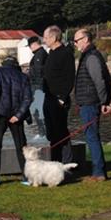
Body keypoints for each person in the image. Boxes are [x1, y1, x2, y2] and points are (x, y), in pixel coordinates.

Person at [73, 29, 111, 182]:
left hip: (90, 103)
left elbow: (100, 81)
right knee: (91, 136)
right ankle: (98, 171)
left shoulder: (91, 57)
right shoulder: (89, 56)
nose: (75, 43)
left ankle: (98, 172)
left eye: (76, 40)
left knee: (92, 137)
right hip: (87, 102)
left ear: (85, 39)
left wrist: (104, 102)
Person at [0, 56, 32, 187]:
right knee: (21, 147)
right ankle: (27, 176)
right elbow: (28, 98)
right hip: (15, 116)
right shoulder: (23, 77)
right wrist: (18, 115)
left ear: (4, 64)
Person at [42, 25, 75, 164]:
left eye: (46, 37)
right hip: (48, 97)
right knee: (51, 131)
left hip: (58, 99)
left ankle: (67, 162)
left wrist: (62, 97)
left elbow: (69, 77)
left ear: (54, 37)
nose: (44, 40)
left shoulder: (65, 53)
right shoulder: (51, 53)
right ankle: (55, 160)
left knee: (60, 131)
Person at [27, 35, 47, 136]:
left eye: (30, 46)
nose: (30, 49)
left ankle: (43, 133)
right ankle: (42, 132)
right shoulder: (40, 54)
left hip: (38, 87)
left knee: (37, 110)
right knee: (37, 110)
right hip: (37, 86)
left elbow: (39, 72)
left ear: (34, 44)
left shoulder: (39, 55)